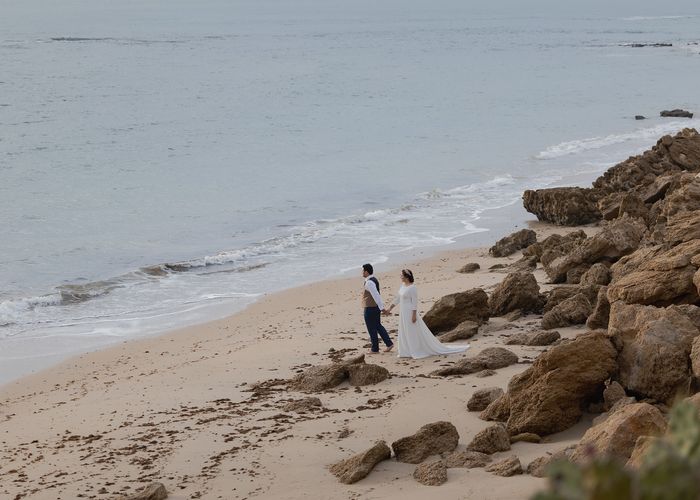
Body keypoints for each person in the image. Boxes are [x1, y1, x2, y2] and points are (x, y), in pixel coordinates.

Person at [383, 269, 469, 359]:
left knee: (411, 331)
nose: (400, 277)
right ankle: (406, 351)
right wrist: (390, 308)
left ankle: (415, 350)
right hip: (403, 312)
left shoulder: (412, 288)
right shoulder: (403, 286)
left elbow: (414, 303)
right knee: (404, 330)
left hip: (409, 312)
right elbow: (398, 298)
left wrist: (413, 315)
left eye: (402, 275)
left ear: (407, 277)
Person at [361, 263, 394, 354]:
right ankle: (389, 344)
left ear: (366, 272)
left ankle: (375, 349)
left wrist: (382, 309)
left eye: (363, 270)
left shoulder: (369, 282)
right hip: (374, 308)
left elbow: (376, 296)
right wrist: (380, 308)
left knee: (371, 328)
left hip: (371, 308)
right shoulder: (373, 279)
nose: (362, 272)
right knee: (378, 326)